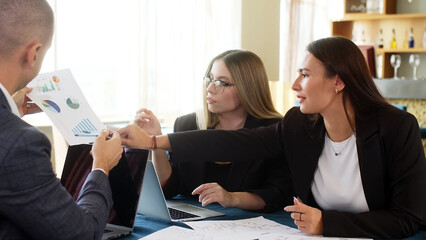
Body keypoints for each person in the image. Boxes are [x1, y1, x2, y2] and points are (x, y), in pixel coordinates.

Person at [118, 37, 426, 238]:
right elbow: (234, 142)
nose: (294, 84)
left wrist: (326, 223)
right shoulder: (299, 125)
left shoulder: (397, 127)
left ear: (339, 81)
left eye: (305, 74)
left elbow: (409, 219)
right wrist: (155, 142)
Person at [0, 0, 123, 239]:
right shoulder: (20, 143)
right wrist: (101, 166)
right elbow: (81, 233)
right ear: (33, 53)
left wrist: (11, 111)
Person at [134, 50, 294, 211]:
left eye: (222, 83)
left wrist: (232, 198)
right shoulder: (187, 124)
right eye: (210, 79)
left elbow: (278, 194)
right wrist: (157, 141)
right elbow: (169, 189)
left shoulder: (273, 131)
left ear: (248, 88)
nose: (210, 88)